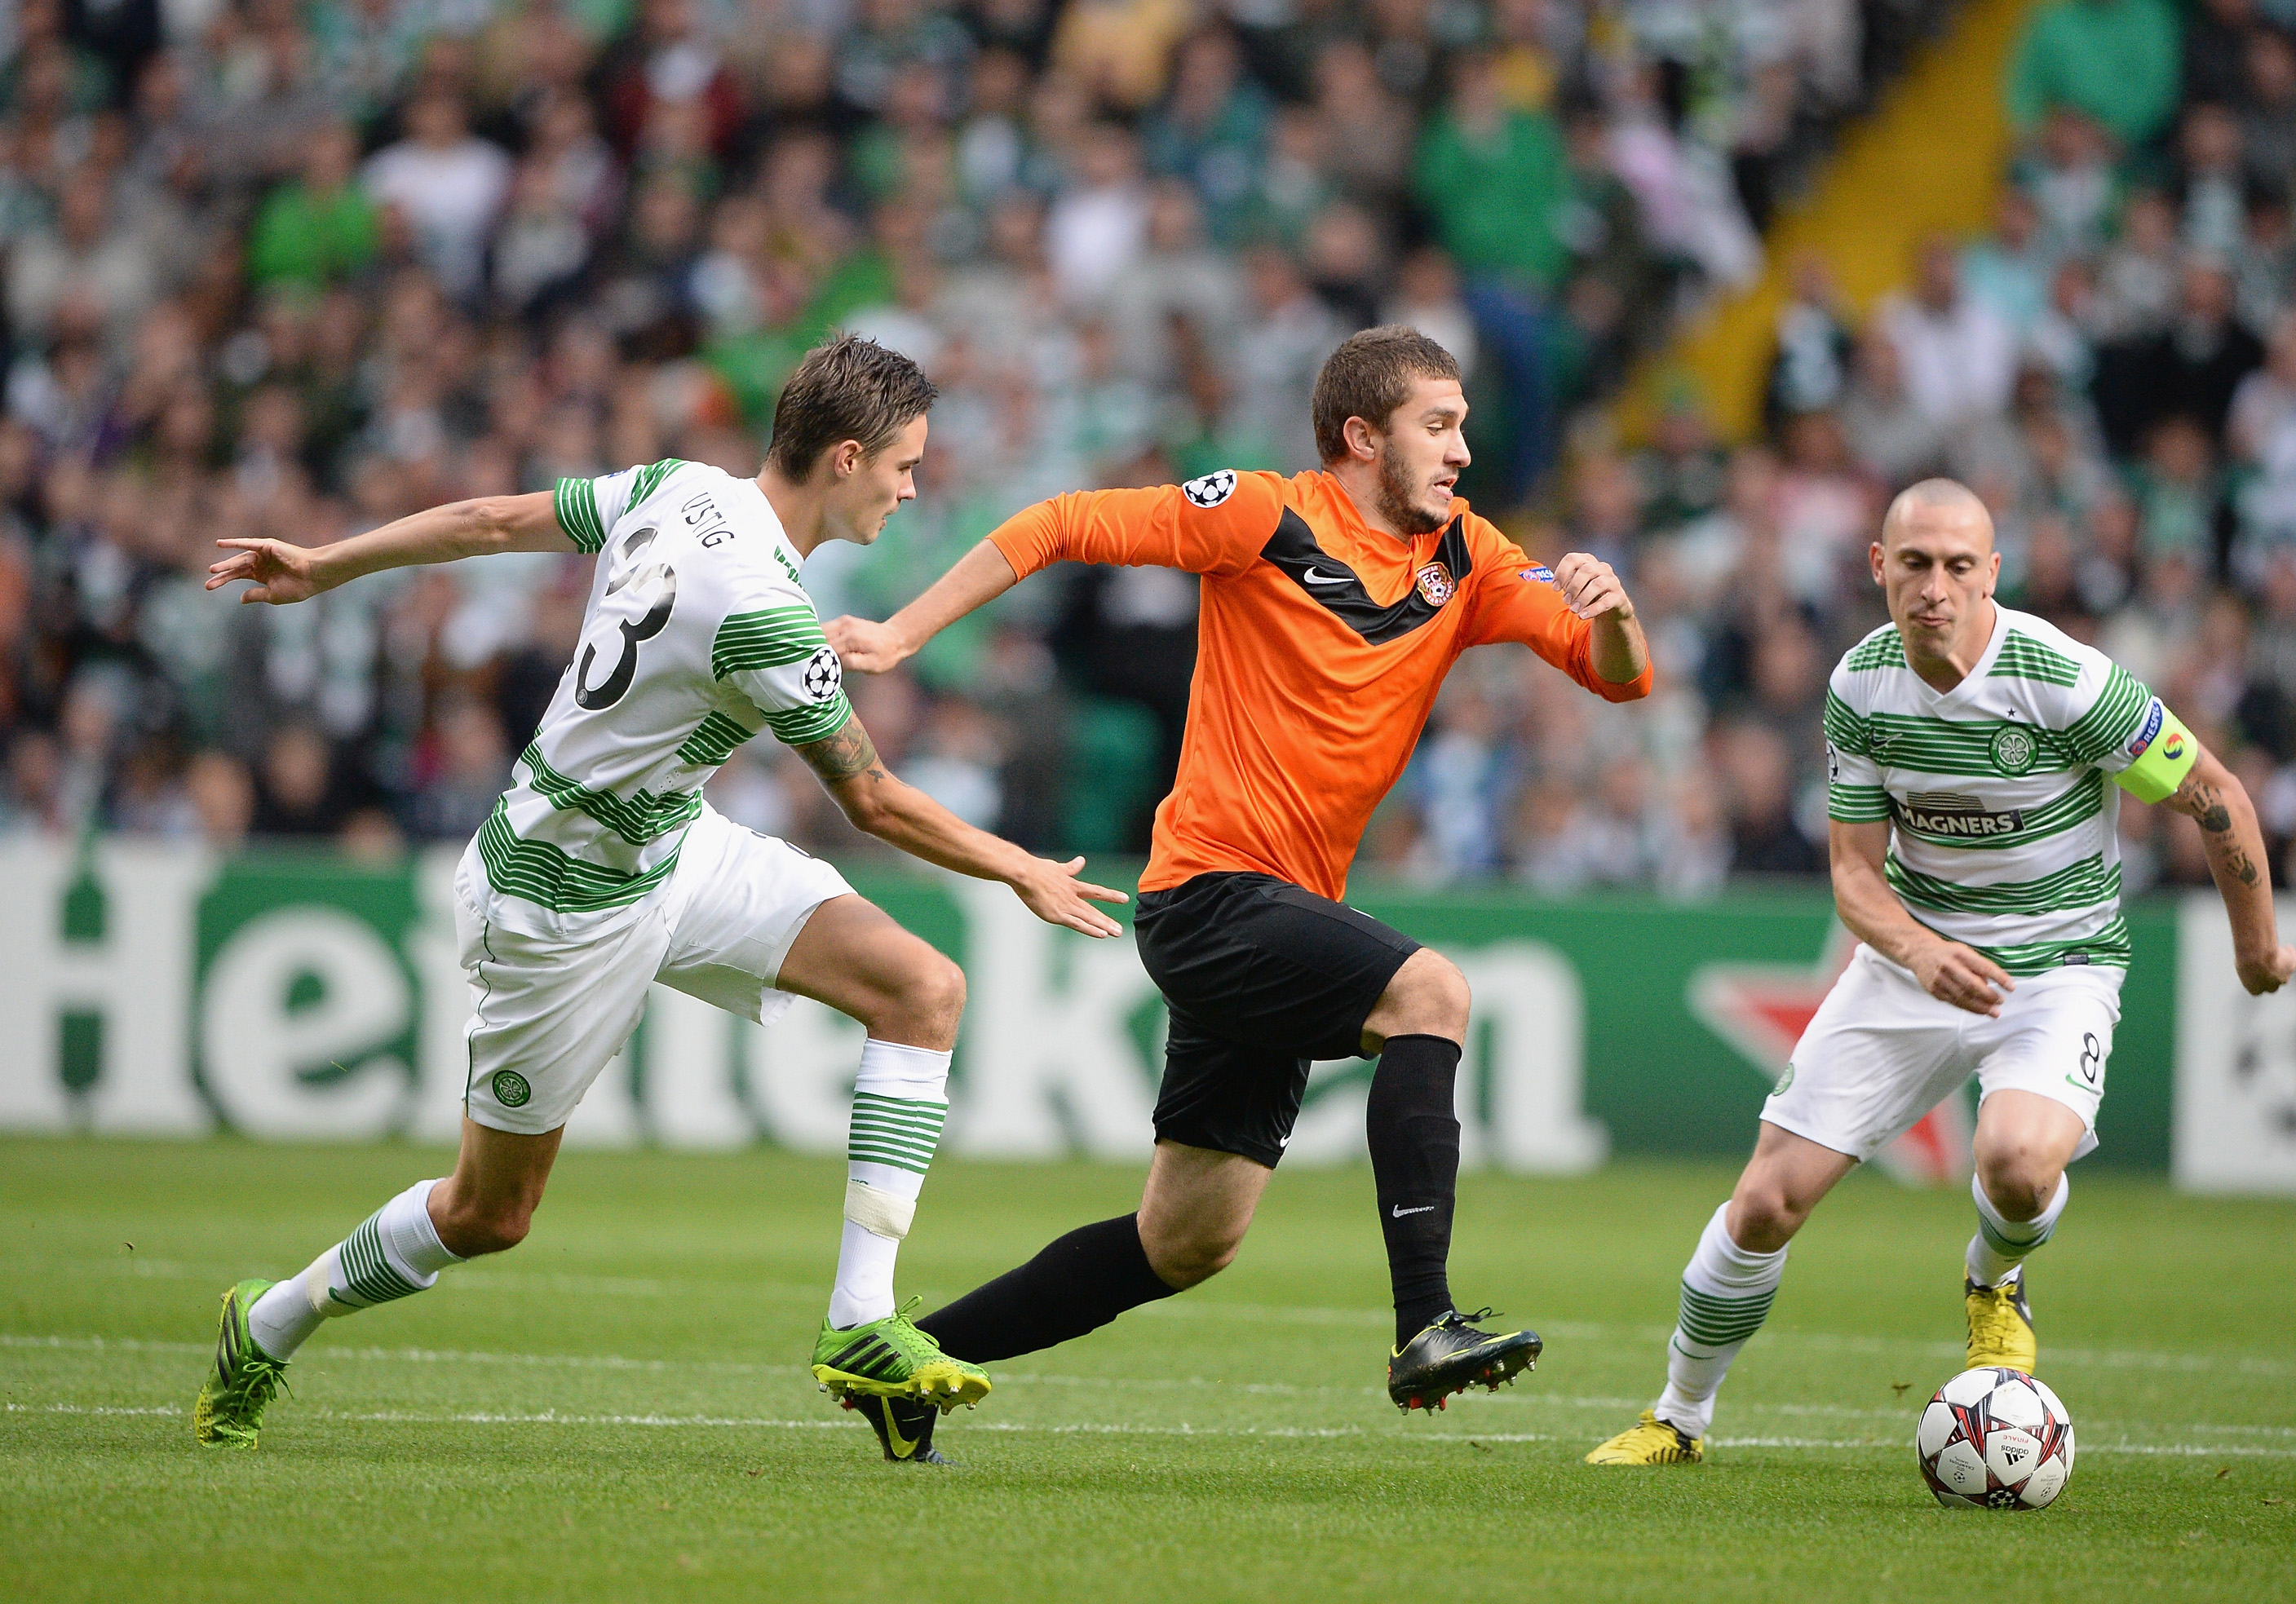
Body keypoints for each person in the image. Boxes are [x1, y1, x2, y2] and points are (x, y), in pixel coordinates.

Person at [190, 337, 1127, 1458]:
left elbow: (490, 520)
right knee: (488, 1213)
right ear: (845, 457)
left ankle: (859, 1321)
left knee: (921, 988)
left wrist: (327, 562)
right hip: (561, 895)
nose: (913, 488)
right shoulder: (767, 611)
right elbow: (874, 799)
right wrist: (1021, 865)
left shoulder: (680, 486)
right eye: (905, 466)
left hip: (670, 842)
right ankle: (271, 1318)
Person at [825, 325, 1652, 1459]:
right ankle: (1426, 1322)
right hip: (1211, 893)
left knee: (1186, 1239)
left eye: (1463, 425)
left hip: (1281, 917)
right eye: (1438, 425)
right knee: (1433, 993)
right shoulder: (1263, 515)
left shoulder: (1467, 555)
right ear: (1363, 437)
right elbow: (1059, 521)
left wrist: (1613, 612)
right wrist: (901, 630)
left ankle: (903, 1364)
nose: (1463, 450)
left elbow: (1618, 676)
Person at [1586, 479, 2295, 1468]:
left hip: (2058, 968)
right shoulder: (1862, 686)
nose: (1935, 587)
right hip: (1914, 963)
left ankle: (1993, 1278)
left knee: (2017, 1164)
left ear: (1991, 573)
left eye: (1959, 566)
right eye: (1915, 563)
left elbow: (2214, 792)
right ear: (1879, 566)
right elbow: (1853, 872)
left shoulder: (2066, 681)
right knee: (1766, 1201)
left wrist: (2258, 948)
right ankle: (1678, 1417)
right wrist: (1919, 949)